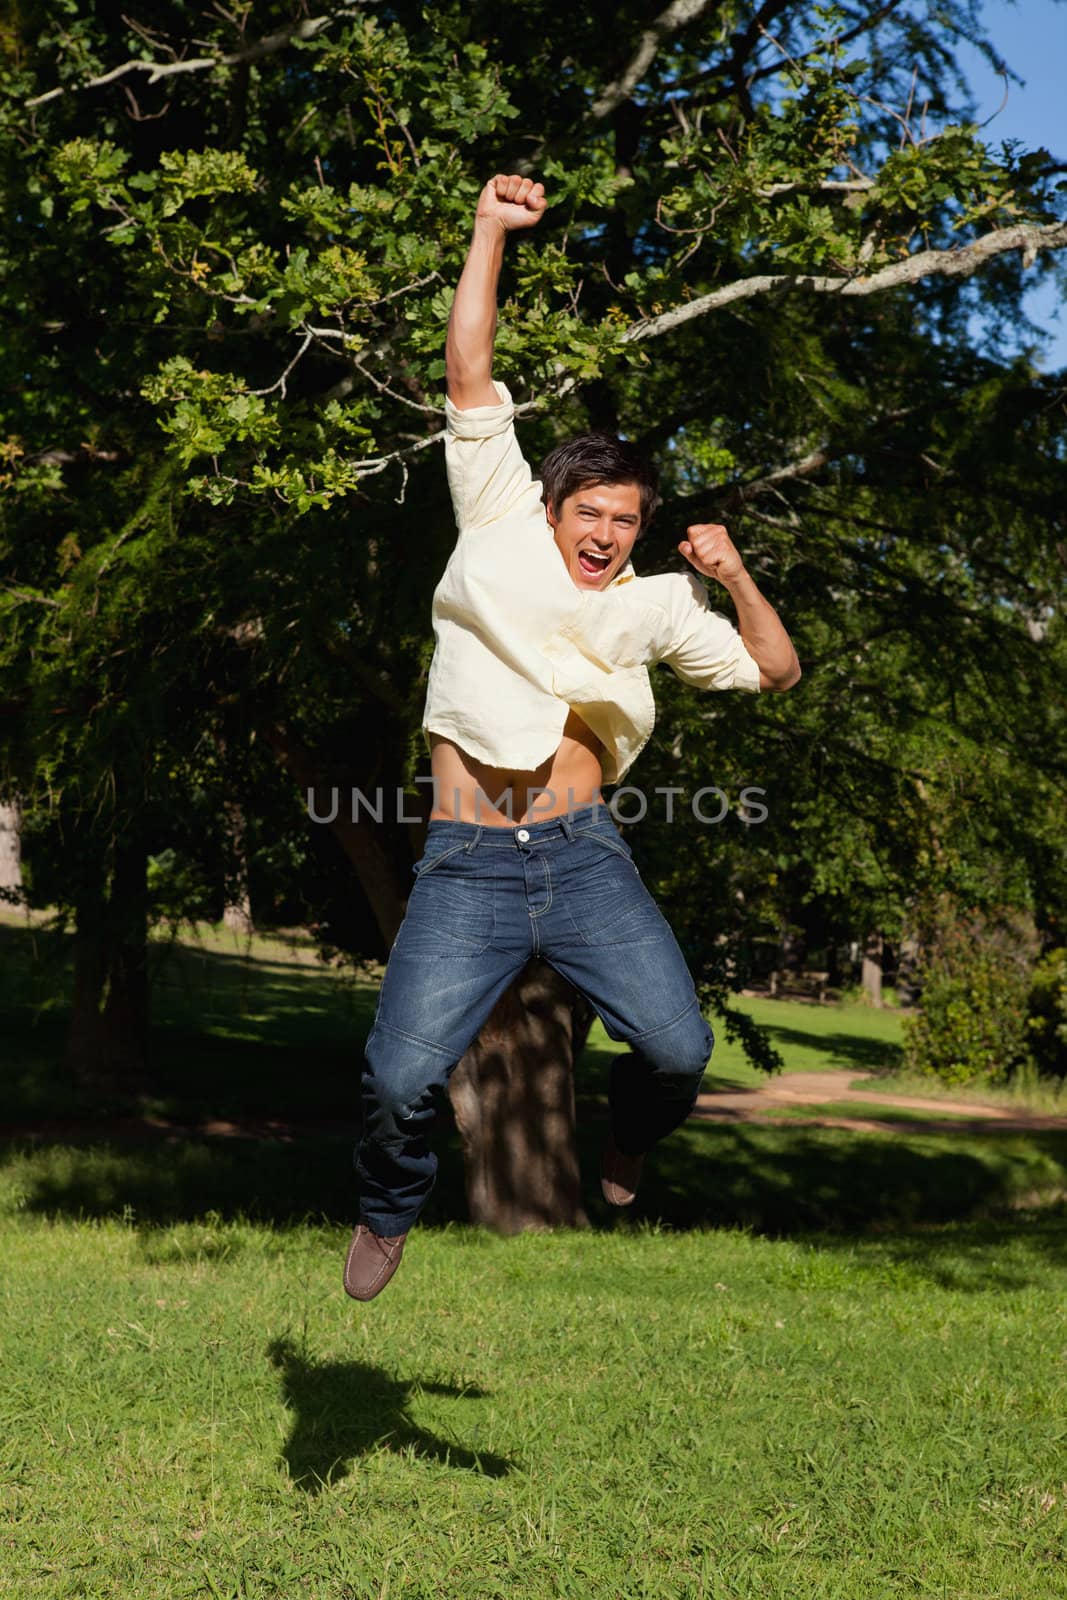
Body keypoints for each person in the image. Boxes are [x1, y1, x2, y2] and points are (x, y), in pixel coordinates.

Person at [344, 173, 801, 1302]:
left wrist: (732, 572)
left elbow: (772, 672)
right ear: (551, 507)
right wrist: (488, 229)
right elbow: (468, 371)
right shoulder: (493, 518)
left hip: (583, 858)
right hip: (463, 864)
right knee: (396, 1079)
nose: (603, 533)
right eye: (588, 512)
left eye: (623, 520)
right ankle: (391, 1204)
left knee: (679, 1051)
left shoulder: (653, 605)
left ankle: (627, 1145)